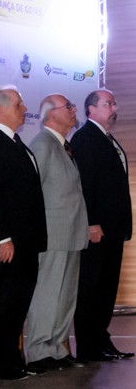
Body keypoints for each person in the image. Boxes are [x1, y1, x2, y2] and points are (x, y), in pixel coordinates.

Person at [0, 87, 47, 381]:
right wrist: (2, 236)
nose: (24, 108)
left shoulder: (17, 142)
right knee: (4, 300)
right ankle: (0, 362)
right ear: (0, 110)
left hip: (27, 239)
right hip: (7, 241)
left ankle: (14, 359)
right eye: (18, 104)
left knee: (19, 301)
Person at [25, 94, 89, 371]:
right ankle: (39, 350)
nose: (74, 110)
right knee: (47, 293)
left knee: (65, 295)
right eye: (69, 107)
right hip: (52, 235)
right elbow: (32, 193)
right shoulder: (42, 144)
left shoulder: (64, 146)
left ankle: (58, 348)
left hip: (72, 232)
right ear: (50, 114)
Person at [71, 89, 134, 361]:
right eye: (108, 103)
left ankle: (101, 340)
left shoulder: (107, 138)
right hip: (97, 230)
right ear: (91, 110)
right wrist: (92, 221)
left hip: (113, 229)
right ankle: (88, 346)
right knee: (92, 287)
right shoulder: (85, 138)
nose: (114, 106)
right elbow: (85, 184)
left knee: (106, 288)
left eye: (114, 103)